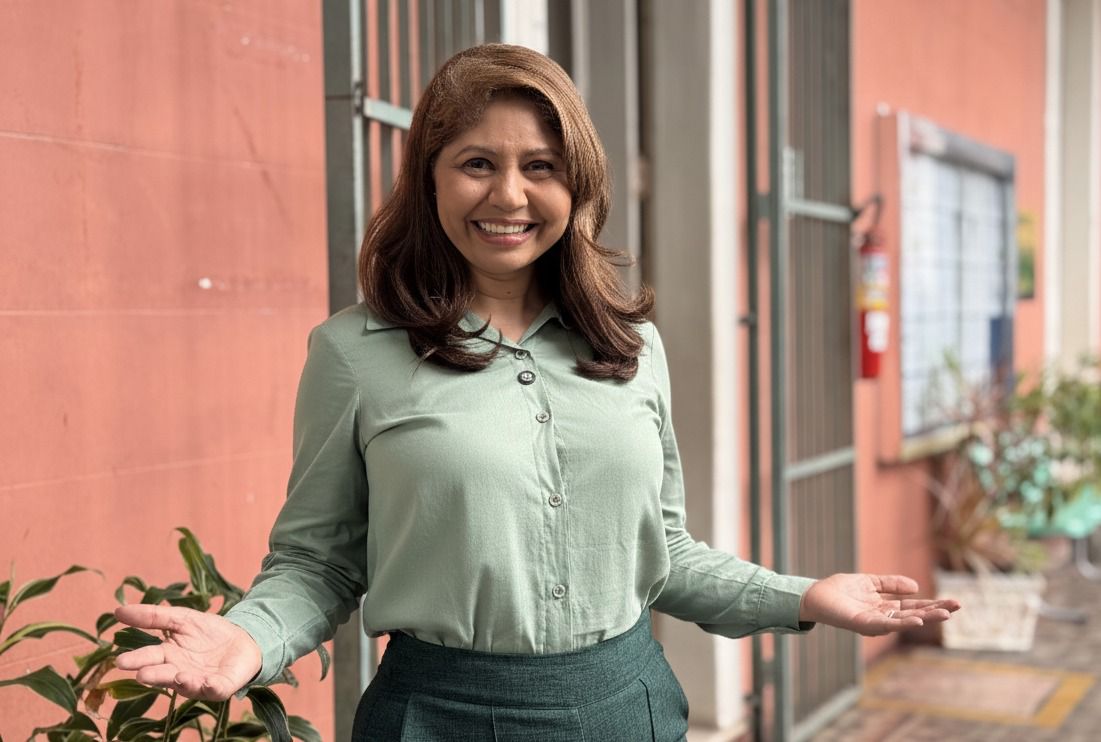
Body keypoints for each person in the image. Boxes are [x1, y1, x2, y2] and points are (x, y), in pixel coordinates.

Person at [113, 44, 959, 740]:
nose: (509, 195)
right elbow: (319, 561)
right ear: (431, 180)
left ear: (577, 185)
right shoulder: (352, 352)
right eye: (476, 163)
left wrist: (805, 596)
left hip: (630, 708)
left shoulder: (630, 348)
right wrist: (249, 638)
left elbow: (660, 553)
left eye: (540, 167)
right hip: (435, 717)